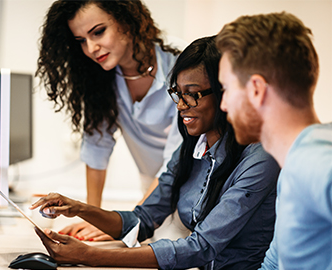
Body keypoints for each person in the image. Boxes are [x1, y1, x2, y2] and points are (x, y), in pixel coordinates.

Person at [31, 36, 281, 269]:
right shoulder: (192, 147)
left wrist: (88, 256)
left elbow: (202, 247)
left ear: (226, 94)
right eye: (178, 94)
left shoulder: (260, 158)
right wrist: (79, 208)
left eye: (192, 95)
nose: (182, 106)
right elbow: (143, 218)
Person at [35, 0, 185, 241]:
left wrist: (125, 223)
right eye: (81, 41)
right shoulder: (102, 76)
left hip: (189, 188)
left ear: (126, 20)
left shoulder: (182, 62)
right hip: (150, 188)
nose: (91, 48)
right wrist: (92, 217)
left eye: (98, 32)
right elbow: (97, 148)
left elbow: (175, 161)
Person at [217, 12, 332, 270]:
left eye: (226, 89)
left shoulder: (312, 163)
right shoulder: (294, 164)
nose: (223, 105)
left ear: (256, 89)